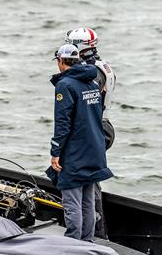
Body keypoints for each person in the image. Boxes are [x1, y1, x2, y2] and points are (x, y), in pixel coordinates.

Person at [47, 44, 113, 242]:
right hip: (94, 149)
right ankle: (87, 242)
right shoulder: (92, 81)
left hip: (74, 153)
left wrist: (56, 151)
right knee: (88, 201)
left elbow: (63, 122)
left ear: (61, 61)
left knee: (72, 201)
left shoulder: (65, 85)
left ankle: (73, 244)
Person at [66, 26, 117, 238]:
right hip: (101, 126)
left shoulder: (92, 73)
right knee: (90, 180)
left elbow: (88, 104)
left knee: (87, 182)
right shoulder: (98, 66)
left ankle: (95, 232)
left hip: (94, 128)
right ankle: (95, 231)